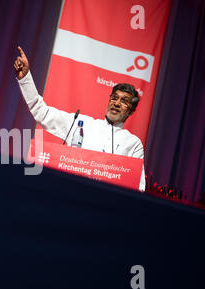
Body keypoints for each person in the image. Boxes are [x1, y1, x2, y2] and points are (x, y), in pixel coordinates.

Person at [14, 46, 146, 191]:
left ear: (131, 110)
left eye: (124, 101)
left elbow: (139, 188)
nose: (116, 103)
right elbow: (42, 112)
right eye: (114, 98)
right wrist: (25, 79)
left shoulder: (133, 144)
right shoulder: (81, 124)